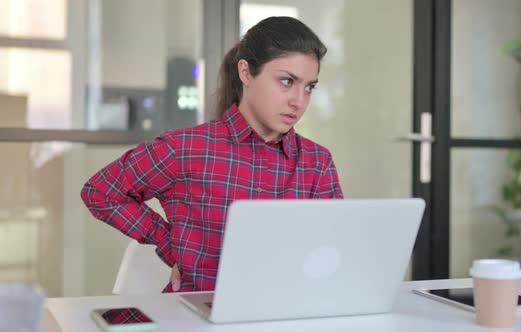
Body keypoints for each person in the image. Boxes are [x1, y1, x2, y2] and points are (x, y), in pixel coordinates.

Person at [80, 16, 343, 293]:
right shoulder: (185, 149)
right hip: (196, 314)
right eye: (287, 81)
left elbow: (331, 249)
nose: (299, 101)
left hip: (286, 309)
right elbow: (101, 192)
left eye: (309, 87)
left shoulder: (317, 162)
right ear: (246, 73)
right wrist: (173, 246)